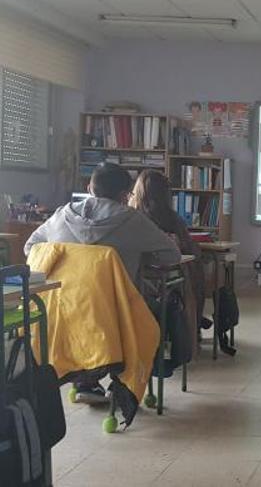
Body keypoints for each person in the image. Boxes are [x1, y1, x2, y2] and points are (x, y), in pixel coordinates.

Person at [24, 163, 181, 403]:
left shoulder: (60, 215)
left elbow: (31, 249)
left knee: (86, 311)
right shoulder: (131, 220)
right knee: (156, 312)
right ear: (124, 195)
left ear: (89, 187)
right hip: (116, 314)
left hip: (58, 314)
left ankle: (85, 381)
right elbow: (172, 254)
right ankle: (123, 384)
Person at [129, 170, 206, 352]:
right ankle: (193, 327)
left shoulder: (129, 215)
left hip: (135, 279)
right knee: (196, 271)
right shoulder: (170, 217)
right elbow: (190, 249)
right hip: (165, 277)